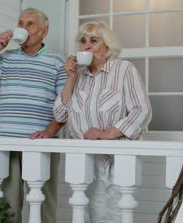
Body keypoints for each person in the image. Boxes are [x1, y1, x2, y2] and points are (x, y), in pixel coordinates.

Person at [53, 22, 152, 222]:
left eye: (93, 40)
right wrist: (70, 77)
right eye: (83, 41)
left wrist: (106, 134)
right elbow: (60, 115)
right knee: (90, 213)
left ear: (107, 45)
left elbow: (142, 111)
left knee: (117, 213)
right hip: (87, 159)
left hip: (118, 156)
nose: (86, 46)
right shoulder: (77, 75)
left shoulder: (124, 69)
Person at [0, 8, 66, 223]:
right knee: (7, 208)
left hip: (42, 144)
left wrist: (49, 133)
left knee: (44, 206)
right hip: (6, 142)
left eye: (30, 24)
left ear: (45, 31)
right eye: (21, 23)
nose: (23, 28)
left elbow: (65, 106)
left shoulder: (57, 62)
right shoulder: (5, 58)